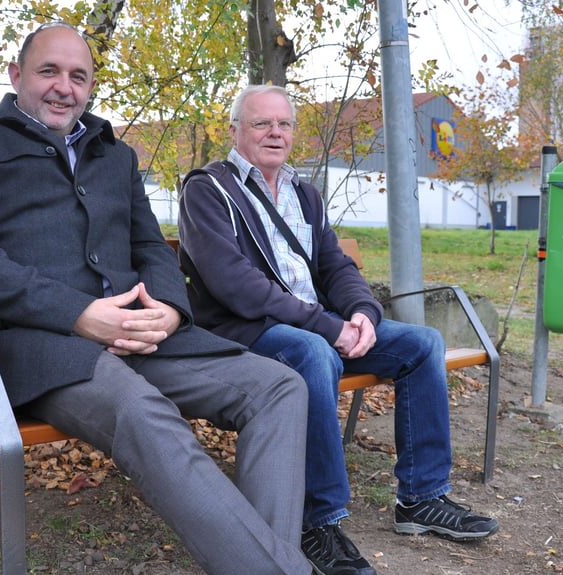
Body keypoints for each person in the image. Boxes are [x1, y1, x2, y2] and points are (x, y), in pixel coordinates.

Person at [0, 24, 316, 575]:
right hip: (39, 350)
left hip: (141, 339)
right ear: (17, 76)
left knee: (279, 386)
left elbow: (151, 248)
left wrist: (170, 308)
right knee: (142, 411)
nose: (64, 87)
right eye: (49, 72)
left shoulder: (115, 153)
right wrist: (78, 316)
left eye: (78, 76)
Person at [177, 85, 499, 575]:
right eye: (262, 123)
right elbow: (235, 286)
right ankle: (317, 522)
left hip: (316, 326)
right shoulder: (208, 189)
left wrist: (363, 313)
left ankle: (422, 498)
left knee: (422, 343)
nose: (275, 133)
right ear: (235, 129)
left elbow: (336, 267)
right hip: (247, 332)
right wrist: (329, 327)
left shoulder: (303, 193)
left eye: (283, 124)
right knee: (313, 353)